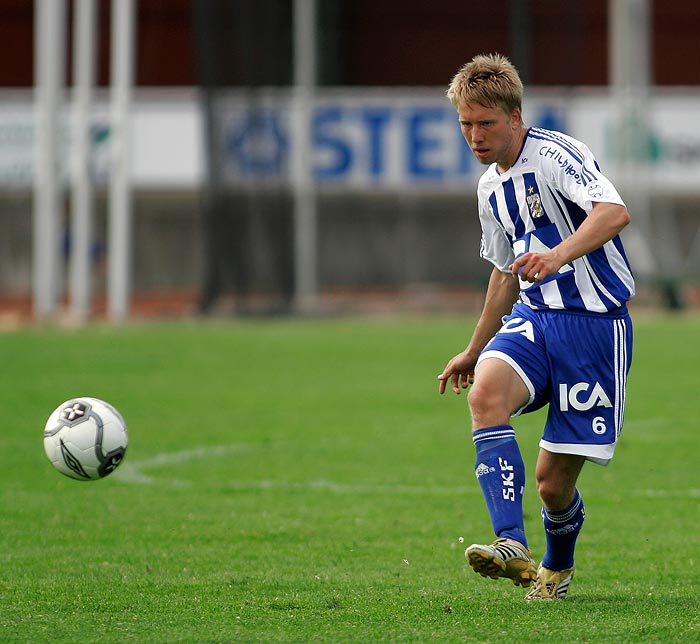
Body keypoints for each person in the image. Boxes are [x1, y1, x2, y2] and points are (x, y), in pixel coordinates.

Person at [437, 53, 634, 600]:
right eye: (465, 125)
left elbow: (613, 212)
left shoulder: (554, 155)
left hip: (594, 328)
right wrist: (473, 348)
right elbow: (503, 276)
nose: (474, 135)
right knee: (485, 394)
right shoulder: (487, 188)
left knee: (552, 485)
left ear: (515, 116)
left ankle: (557, 566)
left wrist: (557, 255)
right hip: (535, 318)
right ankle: (509, 543)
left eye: (486, 123)